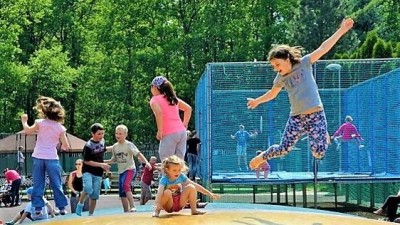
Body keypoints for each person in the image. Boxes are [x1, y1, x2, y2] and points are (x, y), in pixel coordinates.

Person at [248, 18, 355, 170]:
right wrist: (257, 101)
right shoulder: (280, 78)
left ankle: (325, 136)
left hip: (316, 115)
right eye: (273, 66)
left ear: (287, 59)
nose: (276, 68)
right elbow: (272, 94)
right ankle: (262, 156)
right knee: (283, 149)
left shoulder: (304, 63)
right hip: (296, 118)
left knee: (318, 153)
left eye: (277, 64)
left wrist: (342, 30)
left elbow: (323, 48)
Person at [20, 96, 69, 215]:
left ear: (44, 111)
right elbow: (65, 145)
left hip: (38, 156)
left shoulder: (40, 123)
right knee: (56, 183)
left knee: (38, 183)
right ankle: (62, 207)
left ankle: (37, 208)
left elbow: (28, 131)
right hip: (52, 158)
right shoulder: (60, 128)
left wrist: (24, 121)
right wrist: (59, 144)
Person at [152, 155, 221, 217]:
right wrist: (157, 203)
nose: (177, 172)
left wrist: (209, 193)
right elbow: (159, 193)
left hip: (179, 203)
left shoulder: (181, 176)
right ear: (167, 170)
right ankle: (157, 211)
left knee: (191, 187)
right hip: (169, 205)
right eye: (174, 170)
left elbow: (195, 185)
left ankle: (194, 210)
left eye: (179, 170)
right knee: (167, 192)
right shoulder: (164, 179)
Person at [104, 124, 151, 213]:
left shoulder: (129, 145)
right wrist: (103, 162)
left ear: (125, 135)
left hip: (130, 169)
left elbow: (139, 154)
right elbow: (114, 159)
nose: (118, 135)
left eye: (120, 134)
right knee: (121, 191)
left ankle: (133, 206)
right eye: (116, 133)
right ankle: (126, 210)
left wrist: (147, 162)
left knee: (125, 185)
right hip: (121, 171)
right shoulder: (115, 146)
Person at [150, 76, 192, 161]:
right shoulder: (172, 98)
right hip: (181, 133)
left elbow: (159, 113)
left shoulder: (154, 100)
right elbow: (188, 109)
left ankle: (165, 175)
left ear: (155, 87)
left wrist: (160, 131)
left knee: (167, 162)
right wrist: (184, 124)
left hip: (169, 134)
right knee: (179, 162)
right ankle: (180, 174)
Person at [75, 123, 111, 216]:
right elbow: (86, 161)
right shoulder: (88, 145)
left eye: (102, 133)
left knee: (94, 195)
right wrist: (101, 164)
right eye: (99, 134)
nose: (101, 136)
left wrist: (105, 167)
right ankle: (80, 204)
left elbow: (103, 153)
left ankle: (91, 215)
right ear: (93, 134)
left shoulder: (103, 141)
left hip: (98, 173)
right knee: (87, 188)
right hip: (88, 171)